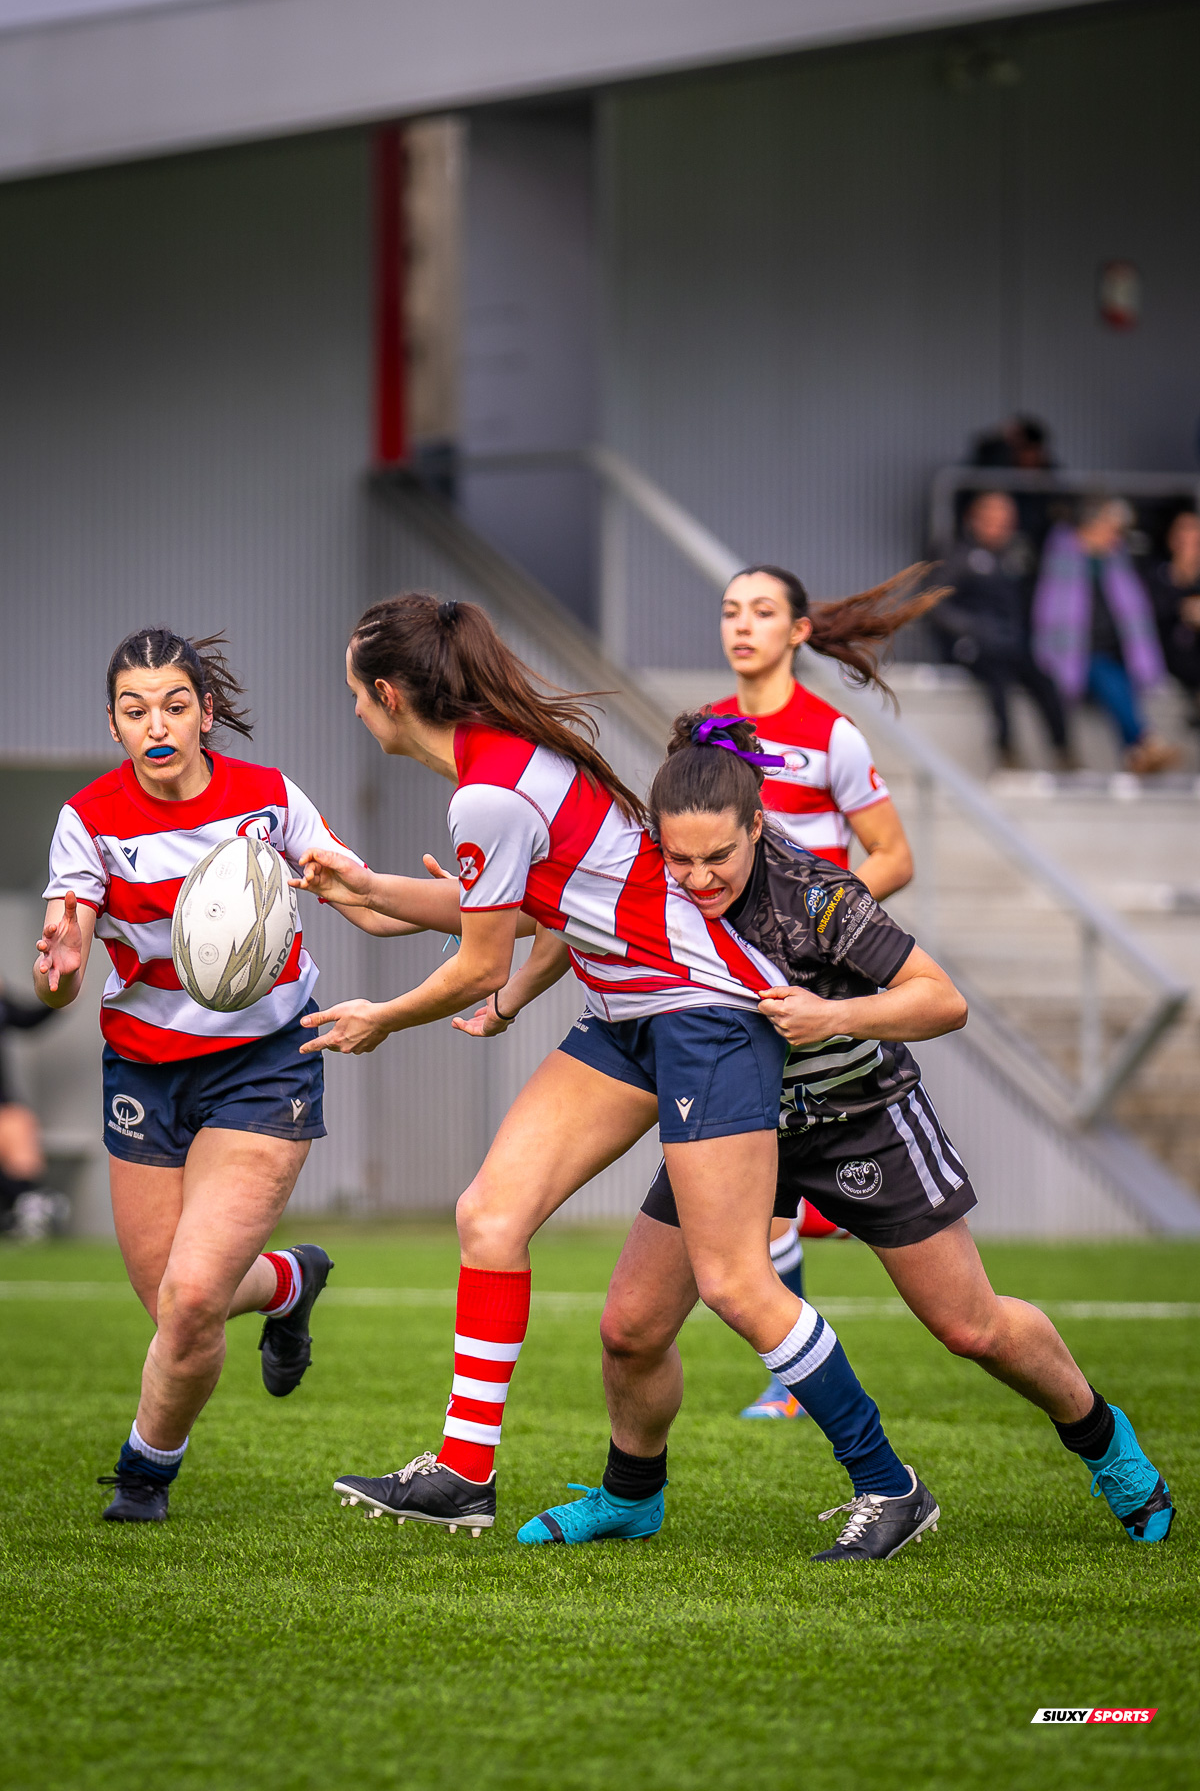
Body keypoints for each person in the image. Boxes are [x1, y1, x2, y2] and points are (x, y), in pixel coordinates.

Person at [294, 593, 938, 1554]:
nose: (353, 709)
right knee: (490, 1215)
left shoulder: (488, 789)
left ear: (389, 694)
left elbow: (481, 961)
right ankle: (465, 1474)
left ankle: (891, 1487)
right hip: (631, 1021)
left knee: (734, 1281)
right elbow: (519, 914)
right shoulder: (494, 769)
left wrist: (381, 1017)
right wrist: (372, 889)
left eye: (355, 693)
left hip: (706, 1020)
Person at [529, 711, 1169, 1552]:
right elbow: (555, 918)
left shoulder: (817, 896)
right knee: (631, 1327)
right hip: (730, 1125)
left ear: (759, 825)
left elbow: (943, 1000)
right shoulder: (652, 878)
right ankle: (630, 1496)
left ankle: (1104, 1442)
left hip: (859, 1120)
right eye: (680, 860)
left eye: (718, 857)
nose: (697, 878)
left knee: (969, 1326)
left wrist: (830, 1016)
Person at [33, 628, 406, 1523]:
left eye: (173, 705)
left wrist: (469, 919)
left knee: (194, 1298)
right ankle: (288, 1281)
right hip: (145, 1069)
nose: (155, 724)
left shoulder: (270, 802)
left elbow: (361, 900)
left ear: (206, 712)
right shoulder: (89, 820)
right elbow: (63, 964)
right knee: (168, 1299)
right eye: (134, 710)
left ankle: (142, 1475)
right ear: (114, 725)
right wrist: (61, 964)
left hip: (263, 1059)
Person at [714, 562, 936, 1418]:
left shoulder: (830, 736)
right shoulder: (709, 735)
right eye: (731, 611)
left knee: (770, 1180)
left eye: (763, 612)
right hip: (733, 991)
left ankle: (790, 1379)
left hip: (813, 996)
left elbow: (894, 856)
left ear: (798, 631)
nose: (743, 626)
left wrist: (828, 929)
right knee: (755, 1181)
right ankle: (791, 1375)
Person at [1032, 498, 1178, 774]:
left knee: (1115, 677)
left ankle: (1137, 753)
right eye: (1110, 528)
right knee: (1107, 674)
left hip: (1116, 653)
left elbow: (1137, 613)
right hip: (1076, 655)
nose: (1115, 536)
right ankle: (1145, 741)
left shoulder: (1118, 562)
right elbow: (1049, 613)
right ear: (1091, 525)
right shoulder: (1060, 556)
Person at [931, 494, 1071, 771]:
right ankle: (1006, 752)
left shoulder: (1016, 558)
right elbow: (935, 603)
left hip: (1011, 643)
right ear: (974, 520)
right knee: (998, 682)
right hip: (973, 645)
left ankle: (1063, 751)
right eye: (991, 520)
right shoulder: (959, 556)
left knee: (1045, 681)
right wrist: (970, 627)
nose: (998, 528)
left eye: (1004, 522)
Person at [0, 985, 59, 1237]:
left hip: (4, 1103)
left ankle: (29, 1202)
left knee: (20, 1130)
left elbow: (25, 1019)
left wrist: (59, 999)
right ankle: (31, 1202)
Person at [1145, 509, 1200, 728]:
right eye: (1181, 531)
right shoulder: (1157, 576)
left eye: (1193, 532)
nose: (1186, 538)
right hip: (1168, 658)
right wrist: (1183, 610)